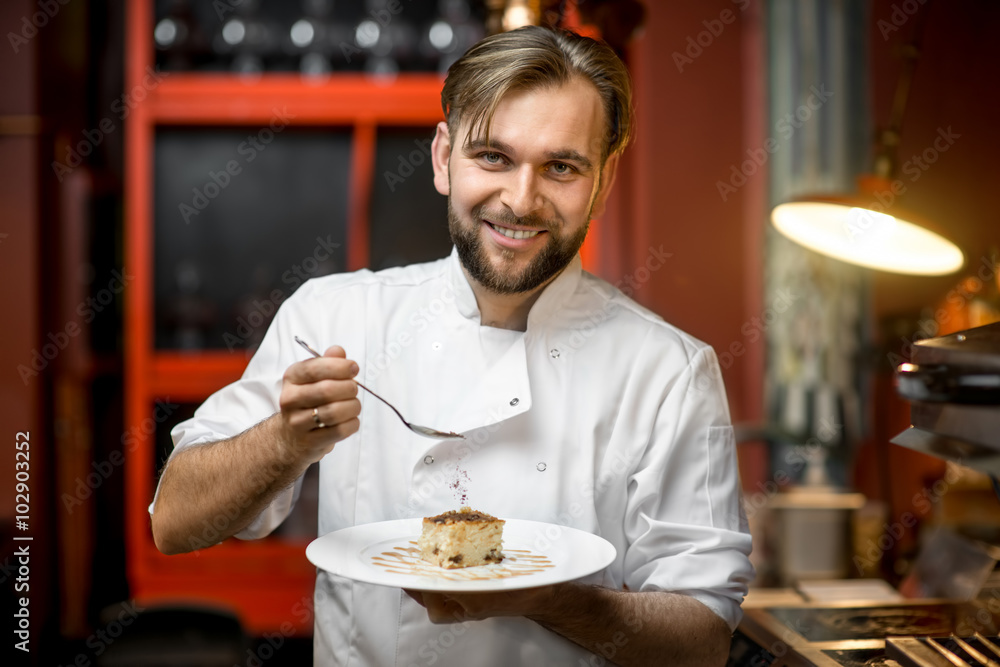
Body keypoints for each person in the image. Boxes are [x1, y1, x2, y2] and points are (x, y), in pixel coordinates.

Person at [150, 25, 753, 666]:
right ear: (443, 159)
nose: (521, 200)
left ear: (603, 183)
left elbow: (704, 640)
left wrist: (549, 600)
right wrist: (283, 440)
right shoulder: (334, 316)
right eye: (493, 157)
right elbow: (175, 524)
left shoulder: (668, 371)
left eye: (561, 167)